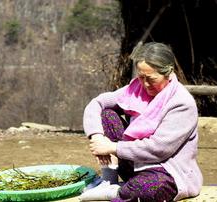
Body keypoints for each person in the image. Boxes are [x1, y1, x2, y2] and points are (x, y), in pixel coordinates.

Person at [80, 42, 203, 201]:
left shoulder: (181, 103)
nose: (145, 84)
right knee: (107, 114)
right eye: (141, 77)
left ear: (167, 73)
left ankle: (115, 192)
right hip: (134, 164)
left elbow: (159, 148)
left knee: (150, 187)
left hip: (165, 171)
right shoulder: (135, 90)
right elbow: (96, 103)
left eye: (151, 79)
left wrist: (112, 147)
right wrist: (97, 136)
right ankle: (108, 180)